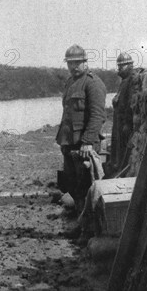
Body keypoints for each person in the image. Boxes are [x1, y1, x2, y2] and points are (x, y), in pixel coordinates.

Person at [55, 44, 107, 217]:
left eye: (77, 62)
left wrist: (88, 142)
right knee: (72, 184)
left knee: (87, 186)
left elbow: (97, 115)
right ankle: (79, 219)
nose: (74, 66)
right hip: (70, 143)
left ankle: (89, 229)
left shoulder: (93, 83)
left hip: (84, 146)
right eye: (70, 63)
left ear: (85, 62)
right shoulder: (70, 82)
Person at [109, 52, 141, 176]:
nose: (119, 69)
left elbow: (130, 105)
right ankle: (117, 168)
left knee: (124, 150)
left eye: (122, 66)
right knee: (118, 148)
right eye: (119, 66)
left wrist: (128, 123)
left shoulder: (131, 80)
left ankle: (122, 172)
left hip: (125, 123)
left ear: (129, 65)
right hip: (119, 122)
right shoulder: (124, 81)